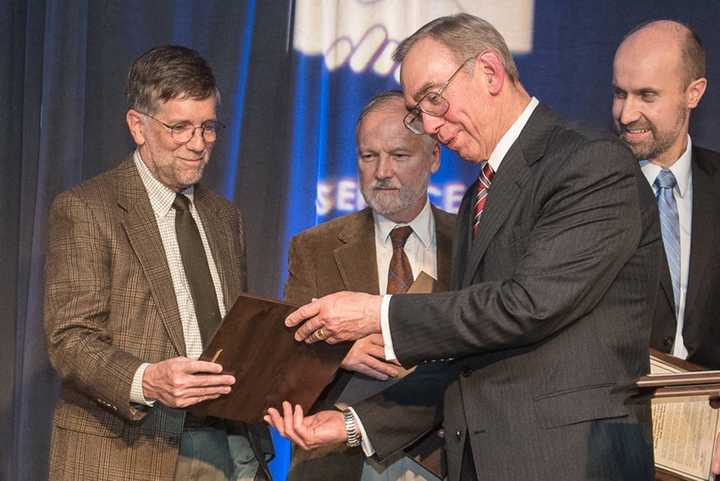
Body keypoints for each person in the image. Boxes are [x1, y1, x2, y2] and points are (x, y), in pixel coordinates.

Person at [266, 13, 660, 481]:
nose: (429, 124)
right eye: (419, 111)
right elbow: (470, 354)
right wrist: (354, 423)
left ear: (490, 71)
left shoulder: (590, 164)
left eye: (434, 99)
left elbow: (527, 305)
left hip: (568, 460)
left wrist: (378, 314)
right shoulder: (481, 192)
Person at [44, 45, 272, 481]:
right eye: (180, 128)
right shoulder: (88, 208)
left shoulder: (225, 217)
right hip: (128, 449)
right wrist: (146, 380)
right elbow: (69, 338)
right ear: (138, 126)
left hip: (228, 445)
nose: (198, 144)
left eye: (208, 127)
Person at [284, 91, 455, 481]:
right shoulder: (314, 247)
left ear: (434, 158)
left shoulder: (470, 244)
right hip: (337, 465)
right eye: (368, 156)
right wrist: (339, 350)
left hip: (445, 461)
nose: (382, 171)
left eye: (398, 155)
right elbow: (283, 360)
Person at [612, 19, 720, 476]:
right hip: (605, 440)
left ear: (693, 93)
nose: (625, 113)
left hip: (707, 444)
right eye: (620, 93)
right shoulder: (587, 189)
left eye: (647, 96)